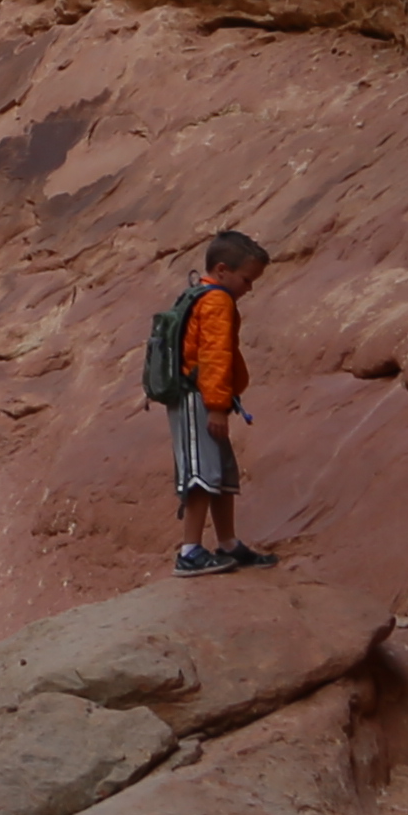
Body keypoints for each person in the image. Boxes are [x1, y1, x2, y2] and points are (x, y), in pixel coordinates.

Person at [166, 231, 274, 576]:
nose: (249, 288)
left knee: (221, 473)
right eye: (247, 279)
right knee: (202, 474)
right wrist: (215, 404)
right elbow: (214, 355)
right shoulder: (216, 302)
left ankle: (228, 543)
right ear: (223, 270)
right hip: (198, 397)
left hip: (207, 396)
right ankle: (190, 551)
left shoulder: (204, 294)